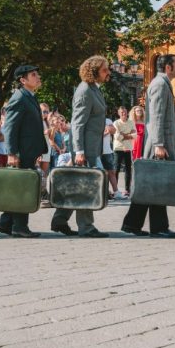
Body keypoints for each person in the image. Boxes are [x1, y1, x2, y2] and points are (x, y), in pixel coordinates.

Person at [121, 53, 175, 238]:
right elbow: (156, 116)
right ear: (168, 67)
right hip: (158, 144)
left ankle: (132, 224)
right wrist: (159, 144)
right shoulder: (160, 84)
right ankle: (158, 227)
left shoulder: (162, 83)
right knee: (156, 185)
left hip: (159, 143)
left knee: (151, 185)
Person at [52, 56, 111, 238]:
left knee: (77, 185)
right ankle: (86, 227)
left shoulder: (94, 89)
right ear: (93, 71)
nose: (108, 72)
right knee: (86, 186)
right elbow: (77, 123)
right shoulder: (85, 90)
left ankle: (60, 219)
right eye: (104, 70)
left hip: (92, 147)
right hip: (85, 149)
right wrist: (79, 151)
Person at [0, 65, 45, 238]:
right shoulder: (19, 97)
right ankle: (20, 227)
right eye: (33, 75)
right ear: (23, 80)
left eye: (37, 74)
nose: (37, 77)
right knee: (23, 188)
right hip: (21, 152)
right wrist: (11, 153)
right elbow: (10, 127)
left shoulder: (29, 96)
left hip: (28, 150)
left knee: (20, 187)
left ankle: (5, 222)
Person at [113, 107, 135, 197]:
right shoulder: (116, 123)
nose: (123, 114)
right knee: (116, 169)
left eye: (125, 112)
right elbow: (117, 136)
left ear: (127, 113)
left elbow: (135, 135)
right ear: (119, 113)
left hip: (128, 148)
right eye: (121, 112)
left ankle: (127, 190)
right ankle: (116, 190)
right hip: (118, 148)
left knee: (128, 170)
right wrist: (128, 135)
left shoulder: (131, 122)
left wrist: (123, 134)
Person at [101, 113, 118, 198]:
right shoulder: (92, 119)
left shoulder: (108, 120)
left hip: (107, 151)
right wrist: (106, 131)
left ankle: (116, 192)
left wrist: (108, 129)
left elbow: (114, 130)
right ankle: (104, 193)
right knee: (100, 173)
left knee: (111, 172)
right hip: (96, 152)